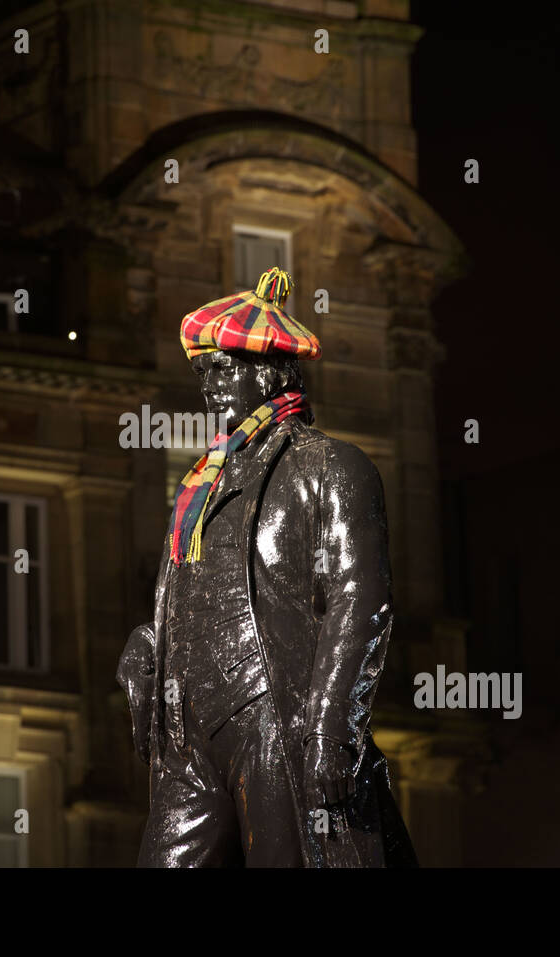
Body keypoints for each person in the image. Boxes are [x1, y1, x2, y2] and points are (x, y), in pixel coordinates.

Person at [117, 267, 417, 867]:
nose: (211, 384)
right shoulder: (201, 485)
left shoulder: (332, 466)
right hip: (189, 730)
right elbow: (189, 589)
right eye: (204, 371)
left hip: (273, 713)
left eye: (225, 366)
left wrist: (333, 727)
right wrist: (148, 645)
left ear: (273, 371)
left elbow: (361, 602)